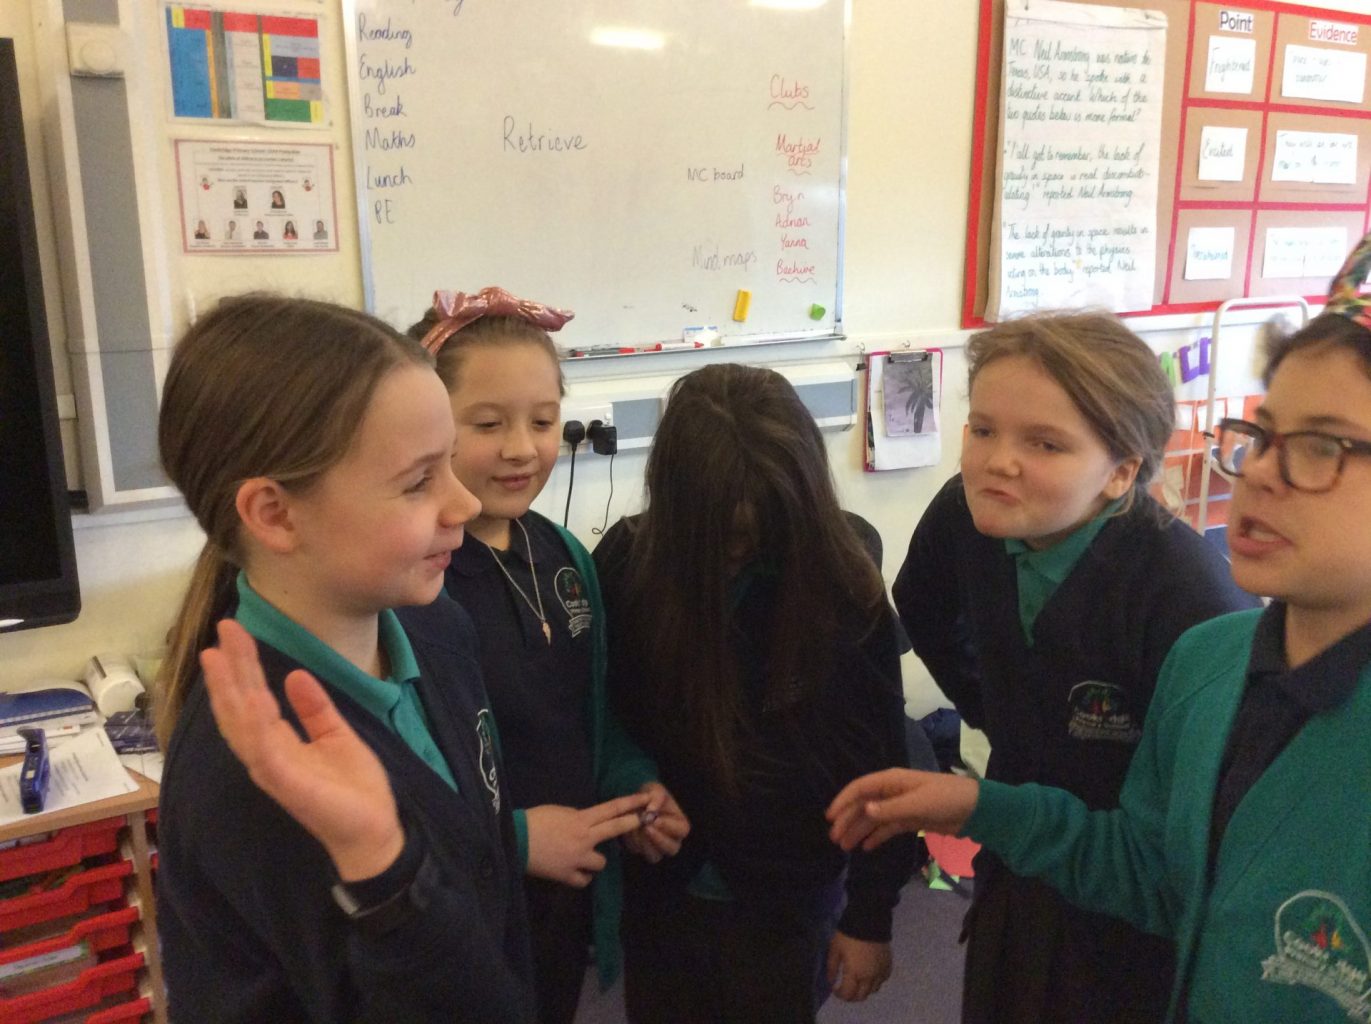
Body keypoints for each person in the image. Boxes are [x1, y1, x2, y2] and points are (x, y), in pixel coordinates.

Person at [829, 236, 1371, 1024]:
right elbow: (1158, 873)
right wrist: (981, 789)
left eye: (1322, 446)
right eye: (1261, 435)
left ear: (1121, 470)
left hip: (1116, 954)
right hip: (1042, 872)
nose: (1255, 471)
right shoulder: (1217, 663)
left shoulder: (1187, 598)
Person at [155, 295, 540, 1023]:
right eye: (418, 481)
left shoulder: (437, 628)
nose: (462, 504)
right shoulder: (253, 780)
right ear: (275, 514)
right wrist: (386, 870)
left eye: (449, 464)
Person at [884, 311, 1259, 1023]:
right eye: (983, 429)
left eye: (1045, 444)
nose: (997, 462)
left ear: (1120, 471)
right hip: (1015, 858)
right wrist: (1002, 715)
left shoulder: (1192, 604)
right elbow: (921, 603)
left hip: (1127, 905)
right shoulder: (970, 514)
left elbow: (1188, 851)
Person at [593, 364, 917, 1023]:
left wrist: (870, 916)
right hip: (664, 887)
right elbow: (605, 709)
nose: (737, 551)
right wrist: (633, 780)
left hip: (788, 892)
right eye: (718, 535)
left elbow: (883, 760)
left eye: (756, 534)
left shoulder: (842, 589)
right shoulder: (628, 564)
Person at [406, 287, 687, 1023]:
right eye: (487, 424)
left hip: (563, 898)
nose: (522, 449)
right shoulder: (412, 581)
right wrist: (519, 839)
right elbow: (398, 782)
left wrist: (633, 783)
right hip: (463, 907)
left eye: (542, 420)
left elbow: (591, 714)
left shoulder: (562, 554)